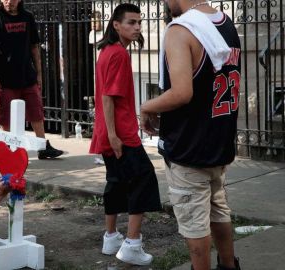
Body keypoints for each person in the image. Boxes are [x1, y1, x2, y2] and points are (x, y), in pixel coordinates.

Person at [140, 1, 242, 269]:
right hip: (219, 141)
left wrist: (146, 106)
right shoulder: (225, 23)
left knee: (195, 226)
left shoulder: (181, 30)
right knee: (219, 211)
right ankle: (229, 265)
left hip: (189, 147)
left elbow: (182, 92)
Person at [89, 3, 161, 266]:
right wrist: (115, 136)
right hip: (120, 132)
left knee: (117, 181)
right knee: (143, 180)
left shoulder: (107, 50)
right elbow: (108, 97)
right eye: (131, 22)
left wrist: (108, 134)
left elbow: (106, 96)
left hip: (109, 131)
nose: (137, 27)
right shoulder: (118, 53)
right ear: (116, 25)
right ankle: (131, 244)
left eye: (139, 22)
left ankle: (111, 237)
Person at [0, 0, 63, 160]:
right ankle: (9, 147)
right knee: (5, 114)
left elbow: (34, 46)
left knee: (36, 111)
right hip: (4, 79)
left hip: (27, 75)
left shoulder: (28, 17)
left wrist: (39, 73)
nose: (8, 2)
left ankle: (42, 146)